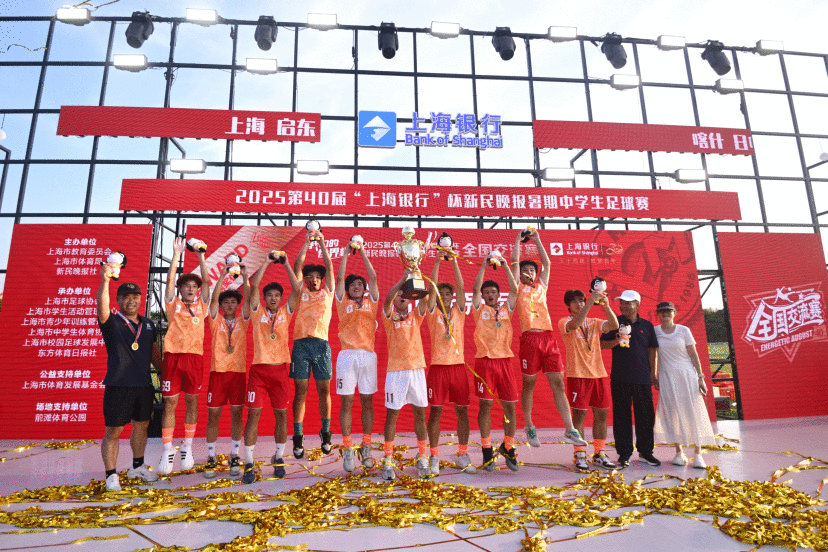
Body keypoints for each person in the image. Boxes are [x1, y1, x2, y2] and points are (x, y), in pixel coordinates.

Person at [511, 229, 587, 448]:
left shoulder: (541, 287)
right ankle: (529, 426)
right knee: (529, 384)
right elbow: (514, 263)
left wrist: (537, 239)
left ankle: (570, 429)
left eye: (531, 270)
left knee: (558, 384)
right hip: (530, 339)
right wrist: (517, 240)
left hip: (548, 339)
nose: (529, 272)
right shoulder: (517, 288)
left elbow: (547, 263)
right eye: (525, 270)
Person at [97, 269, 162, 491]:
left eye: (135, 297)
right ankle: (111, 476)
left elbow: (153, 352)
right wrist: (105, 281)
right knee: (113, 431)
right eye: (126, 297)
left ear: (140, 300)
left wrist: (164, 373)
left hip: (143, 385)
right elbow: (101, 308)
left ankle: (137, 467)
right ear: (118, 300)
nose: (131, 301)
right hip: (118, 385)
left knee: (142, 427)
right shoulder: (111, 321)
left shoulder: (148, 324)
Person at [240, 253, 300, 484]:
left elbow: (297, 290)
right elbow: (254, 287)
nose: (273, 298)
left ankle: (279, 457)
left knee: (281, 415)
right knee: (253, 415)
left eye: (277, 295)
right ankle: (249, 462)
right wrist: (265, 262)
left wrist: (286, 264)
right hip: (259, 371)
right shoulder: (257, 311)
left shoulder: (286, 312)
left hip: (280, 371)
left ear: (280, 298)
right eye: (269, 295)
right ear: (264, 298)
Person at [158, 237, 211, 475]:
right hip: (173, 358)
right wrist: (177, 255)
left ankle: (187, 447)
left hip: (194, 359)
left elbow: (207, 281)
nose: (190, 289)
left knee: (192, 403)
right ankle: (167, 449)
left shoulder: (202, 305)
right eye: (186, 286)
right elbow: (169, 281)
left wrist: (200, 254)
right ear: (181, 289)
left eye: (193, 286)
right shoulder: (173, 304)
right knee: (170, 404)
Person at [425, 254, 475, 476]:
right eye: (441, 294)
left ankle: (462, 454)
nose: (444, 297)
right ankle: (434, 456)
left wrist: (453, 260)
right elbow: (430, 288)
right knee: (435, 412)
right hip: (438, 368)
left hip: (458, 367)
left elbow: (462, 288)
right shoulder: (432, 312)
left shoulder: (458, 311)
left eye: (448, 294)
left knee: (462, 412)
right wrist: (437, 262)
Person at [559, 289, 619, 472]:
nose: (579, 304)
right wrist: (591, 302)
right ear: (568, 305)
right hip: (578, 375)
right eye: (574, 301)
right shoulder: (565, 322)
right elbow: (576, 323)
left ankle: (599, 453)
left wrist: (606, 306)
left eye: (581, 300)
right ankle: (580, 454)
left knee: (601, 414)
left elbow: (614, 325)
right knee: (579, 416)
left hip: (598, 374)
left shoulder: (594, 322)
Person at [652, 301, 716, 469]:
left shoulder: (684, 330)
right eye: (662, 311)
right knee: (672, 412)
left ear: (674, 313)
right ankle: (679, 452)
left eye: (669, 311)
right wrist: (654, 375)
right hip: (667, 376)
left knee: (693, 412)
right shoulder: (655, 331)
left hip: (687, 375)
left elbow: (693, 354)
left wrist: (700, 377)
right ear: (658, 314)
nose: (665, 314)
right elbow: (654, 355)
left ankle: (698, 454)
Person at [380, 269, 430, 481]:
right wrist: (402, 280)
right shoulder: (389, 317)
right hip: (396, 372)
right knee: (392, 415)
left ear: (410, 298)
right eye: (399, 294)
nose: (401, 297)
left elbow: (426, 299)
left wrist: (417, 276)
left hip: (416, 369)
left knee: (420, 415)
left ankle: (423, 457)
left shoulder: (415, 316)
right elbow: (387, 301)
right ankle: (388, 460)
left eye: (405, 294)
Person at [601, 290, 660, 468]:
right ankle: (624, 453)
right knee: (621, 417)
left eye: (628, 303)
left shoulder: (647, 325)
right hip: (620, 378)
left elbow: (652, 350)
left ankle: (646, 452)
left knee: (645, 417)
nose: (623, 306)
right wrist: (616, 341)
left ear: (637, 305)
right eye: (622, 303)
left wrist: (653, 374)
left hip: (642, 378)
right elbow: (601, 344)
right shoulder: (614, 322)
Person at [471, 256, 520, 472]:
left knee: (510, 407)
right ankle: (486, 449)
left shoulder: (507, 309)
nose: (490, 295)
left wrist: (506, 266)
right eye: (487, 292)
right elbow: (474, 290)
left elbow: (515, 290)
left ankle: (508, 446)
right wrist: (483, 266)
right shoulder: (479, 309)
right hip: (485, 362)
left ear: (499, 295)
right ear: (483, 295)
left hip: (505, 362)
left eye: (493, 292)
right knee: (486, 406)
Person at [335, 243, 380, 473]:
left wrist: (362, 252)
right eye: (352, 284)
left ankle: (366, 446)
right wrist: (345, 254)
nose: (356, 286)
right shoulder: (342, 302)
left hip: (368, 356)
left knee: (367, 402)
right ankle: (348, 448)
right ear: (347, 289)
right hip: (347, 356)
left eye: (359, 285)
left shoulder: (372, 301)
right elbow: (339, 277)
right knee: (346, 403)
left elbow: (373, 277)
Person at [291, 229, 336, 458]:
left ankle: (325, 432)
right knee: (300, 390)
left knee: (323, 390)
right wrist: (308, 242)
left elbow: (329, 266)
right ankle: (298, 436)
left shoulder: (328, 291)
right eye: (310, 277)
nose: (313, 280)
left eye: (317, 277)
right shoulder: (301, 291)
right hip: (301, 345)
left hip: (322, 346)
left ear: (322, 280)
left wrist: (323, 243)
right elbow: (297, 265)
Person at [203, 264, 251, 479]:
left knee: (237, 415)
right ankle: (211, 456)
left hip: (238, 374)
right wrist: (223, 274)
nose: (230, 304)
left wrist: (245, 276)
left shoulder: (243, 320)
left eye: (233, 302)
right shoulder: (216, 321)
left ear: (237, 305)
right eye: (226, 302)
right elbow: (212, 300)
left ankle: (234, 454)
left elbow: (249, 301)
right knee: (213, 415)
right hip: (218, 373)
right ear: (221, 305)